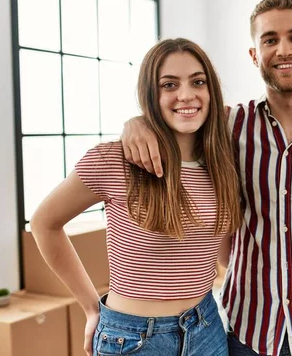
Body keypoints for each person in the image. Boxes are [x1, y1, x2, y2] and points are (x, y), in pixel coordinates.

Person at [122, 0, 292, 356]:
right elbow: (177, 112)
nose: (284, 49)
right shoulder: (227, 127)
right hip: (245, 337)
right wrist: (136, 122)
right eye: (270, 40)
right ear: (254, 55)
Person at [30, 38, 242, 356]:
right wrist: (91, 307)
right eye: (169, 84)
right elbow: (44, 222)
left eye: (198, 81)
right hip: (134, 339)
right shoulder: (114, 160)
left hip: (206, 326)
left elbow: (222, 254)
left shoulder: (221, 162)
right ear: (150, 95)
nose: (186, 95)